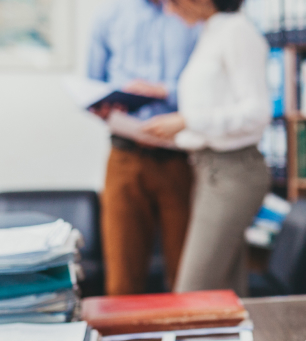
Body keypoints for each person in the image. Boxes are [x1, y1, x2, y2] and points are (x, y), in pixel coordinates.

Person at [142, 0, 271, 295]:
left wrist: (187, 121)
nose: (170, 11)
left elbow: (257, 112)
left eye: (172, 2)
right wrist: (175, 133)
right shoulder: (212, 32)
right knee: (226, 290)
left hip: (233, 173)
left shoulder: (238, 31)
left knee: (192, 292)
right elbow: (214, 110)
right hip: (208, 169)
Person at [87, 0, 202, 295]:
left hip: (180, 159)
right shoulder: (110, 15)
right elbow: (92, 83)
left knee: (187, 275)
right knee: (122, 275)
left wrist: (164, 90)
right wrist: (99, 104)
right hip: (124, 155)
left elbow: (209, 86)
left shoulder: (193, 14)